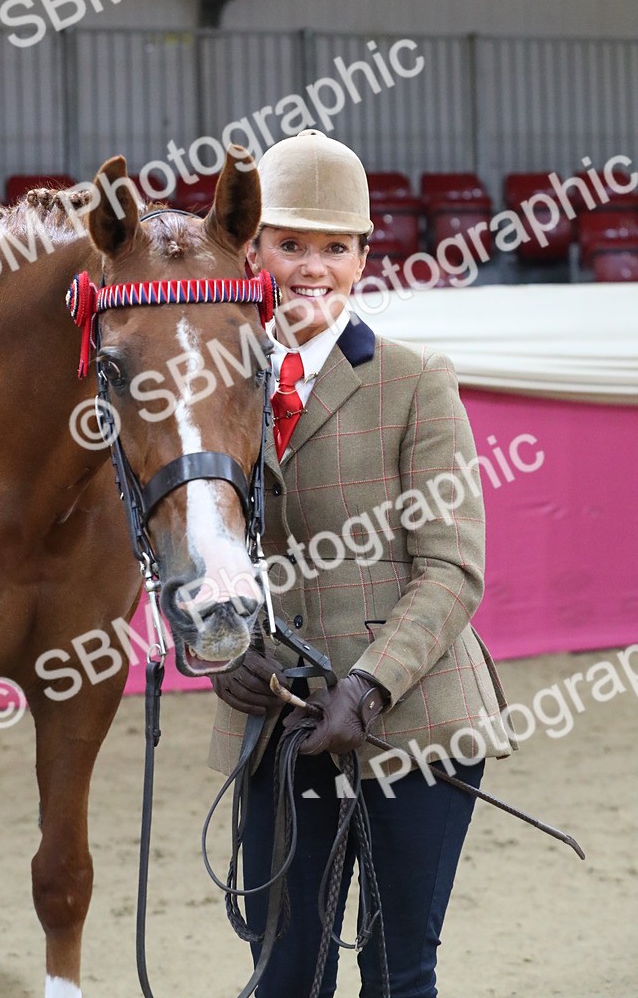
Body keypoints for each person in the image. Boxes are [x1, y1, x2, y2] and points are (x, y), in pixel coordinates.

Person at [208, 128, 516, 998]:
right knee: (282, 976)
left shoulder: (416, 381)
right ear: (252, 250)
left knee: (394, 974)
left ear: (362, 257)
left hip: (412, 718)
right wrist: (226, 650)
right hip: (277, 723)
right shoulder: (207, 384)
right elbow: (189, 547)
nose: (312, 267)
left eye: (334, 247)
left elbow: (452, 566)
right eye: (290, 244)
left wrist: (369, 685)